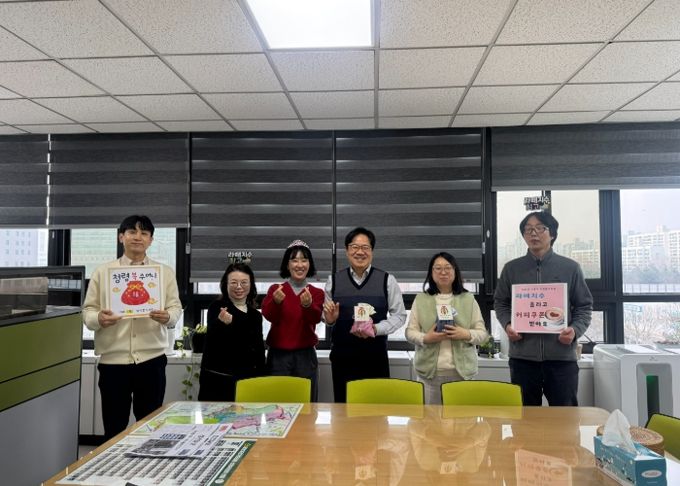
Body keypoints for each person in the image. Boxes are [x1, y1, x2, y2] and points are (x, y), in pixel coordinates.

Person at [82, 215, 182, 439]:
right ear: (121, 237)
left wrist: (168, 316)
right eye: (132, 232)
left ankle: (147, 462)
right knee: (114, 427)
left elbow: (175, 308)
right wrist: (99, 318)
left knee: (150, 428)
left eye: (144, 233)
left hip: (152, 361)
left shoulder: (163, 272)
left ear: (151, 240)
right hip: (113, 362)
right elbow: (87, 312)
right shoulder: (103, 272)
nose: (138, 237)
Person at [494, 211, 593, 406]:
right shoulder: (511, 269)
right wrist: (507, 325)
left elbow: (584, 306)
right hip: (522, 358)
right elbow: (501, 303)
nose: (534, 233)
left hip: (561, 358)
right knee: (525, 416)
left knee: (564, 416)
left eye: (540, 228)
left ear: (552, 234)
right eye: (528, 229)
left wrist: (574, 330)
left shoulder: (570, 268)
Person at [323, 227, 407, 402]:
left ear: (372, 251)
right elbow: (327, 316)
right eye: (354, 247)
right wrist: (329, 320)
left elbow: (399, 315)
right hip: (343, 359)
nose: (360, 252)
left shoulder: (387, 280)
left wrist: (376, 328)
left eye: (365, 247)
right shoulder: (334, 281)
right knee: (344, 410)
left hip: (375, 357)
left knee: (376, 410)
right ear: (347, 251)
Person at [406, 252, 489, 404]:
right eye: (438, 268)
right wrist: (426, 338)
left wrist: (465, 334)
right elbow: (410, 332)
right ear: (431, 273)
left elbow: (482, 334)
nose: (443, 272)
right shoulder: (421, 299)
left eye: (448, 268)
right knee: (430, 417)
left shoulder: (468, 299)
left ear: (455, 271)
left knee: (462, 418)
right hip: (429, 375)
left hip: (462, 374)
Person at [261, 240, 324, 401]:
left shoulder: (316, 293)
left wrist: (308, 305)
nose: (299, 265)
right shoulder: (276, 289)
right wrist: (276, 302)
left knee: (307, 403)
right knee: (277, 404)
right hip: (278, 357)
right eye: (294, 260)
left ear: (309, 264)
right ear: (287, 265)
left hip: (306, 356)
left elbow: (316, 318)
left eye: (304, 260)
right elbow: (269, 315)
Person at [198, 262, 265, 401]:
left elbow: (258, 350)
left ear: (251, 284)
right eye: (234, 282)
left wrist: (262, 379)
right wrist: (221, 323)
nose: (239, 287)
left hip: (248, 382)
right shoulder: (217, 308)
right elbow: (211, 342)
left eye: (244, 282)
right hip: (217, 383)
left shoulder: (255, 315)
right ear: (226, 285)